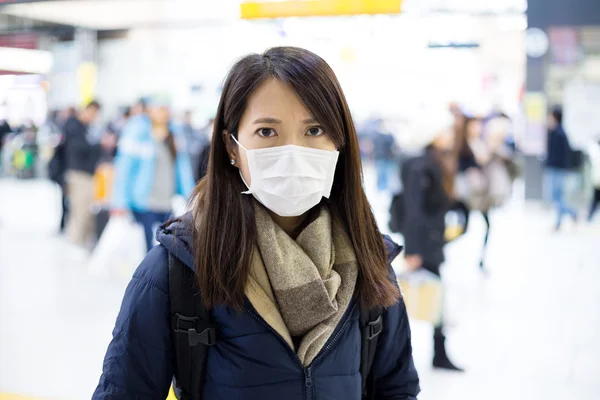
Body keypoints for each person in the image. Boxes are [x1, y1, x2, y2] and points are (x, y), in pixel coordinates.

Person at [93, 47, 420, 399]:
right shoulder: (177, 270)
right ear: (232, 147)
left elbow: (396, 388)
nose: (293, 151)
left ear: (340, 141)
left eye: (314, 129)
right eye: (267, 132)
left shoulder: (370, 263)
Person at [399, 108, 464, 372]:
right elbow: (413, 210)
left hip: (433, 241)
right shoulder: (420, 164)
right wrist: (413, 250)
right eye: (445, 130)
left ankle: (439, 352)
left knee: (434, 295)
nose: (450, 135)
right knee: (424, 297)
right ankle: (435, 353)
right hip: (424, 244)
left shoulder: (434, 160)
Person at [111, 95, 195, 251]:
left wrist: (191, 196)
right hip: (144, 202)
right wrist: (120, 201)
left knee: (163, 246)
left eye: (165, 109)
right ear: (149, 111)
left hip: (166, 202)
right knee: (147, 248)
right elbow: (124, 169)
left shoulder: (173, 135)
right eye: (159, 109)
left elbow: (182, 170)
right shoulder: (138, 133)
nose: (163, 113)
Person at [64, 100, 113, 247]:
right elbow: (78, 149)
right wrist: (99, 145)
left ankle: (82, 241)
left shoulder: (86, 128)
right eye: (93, 113)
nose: (94, 116)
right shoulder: (74, 127)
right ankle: (75, 243)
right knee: (80, 212)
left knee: (87, 212)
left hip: (88, 175)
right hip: (79, 175)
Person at [546, 106, 577, 230]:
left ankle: (572, 212)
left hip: (557, 169)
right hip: (555, 168)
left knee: (555, 197)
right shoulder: (555, 132)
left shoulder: (559, 133)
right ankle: (559, 222)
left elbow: (561, 154)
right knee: (556, 197)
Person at [587, 136, 600, 221]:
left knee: (595, 199)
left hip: (597, 180)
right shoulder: (596, 153)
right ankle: (590, 216)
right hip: (597, 180)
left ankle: (590, 216)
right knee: (595, 199)